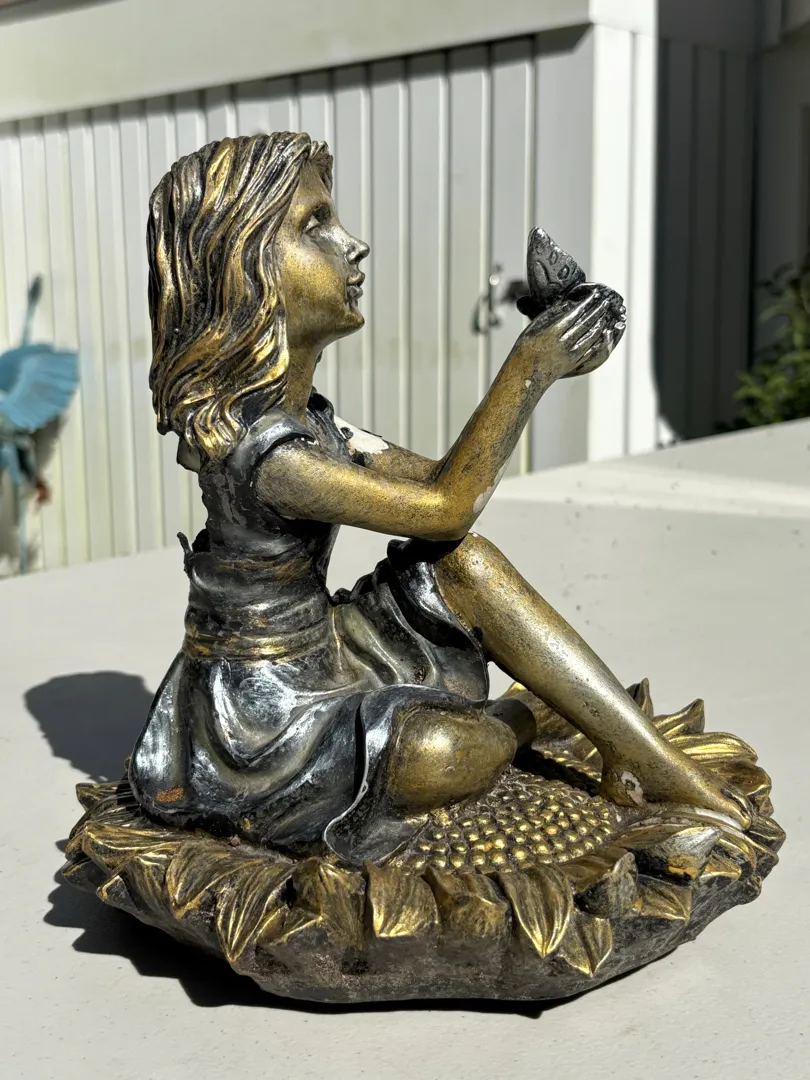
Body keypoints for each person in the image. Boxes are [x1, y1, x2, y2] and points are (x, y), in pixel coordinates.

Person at [129, 132, 748, 865]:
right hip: (265, 722)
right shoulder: (268, 458)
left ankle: (646, 759)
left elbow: (439, 487)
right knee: (436, 753)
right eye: (315, 226)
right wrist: (528, 370)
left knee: (465, 563)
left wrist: (543, 359)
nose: (352, 245)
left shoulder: (317, 424)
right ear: (247, 271)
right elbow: (447, 506)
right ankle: (530, 714)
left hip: (329, 653)